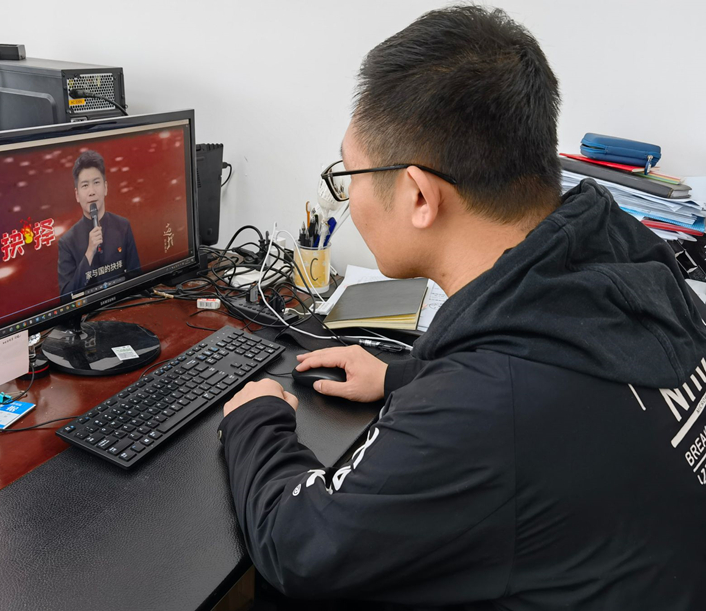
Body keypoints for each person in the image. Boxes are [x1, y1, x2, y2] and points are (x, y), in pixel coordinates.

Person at [217, 5, 706, 611]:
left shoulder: (489, 402)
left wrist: (256, 419)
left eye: (351, 175)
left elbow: (301, 545)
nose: (349, 196)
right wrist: (402, 377)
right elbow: (550, 385)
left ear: (420, 196)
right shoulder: (626, 252)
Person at [57, 150, 140, 296]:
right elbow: (66, 298)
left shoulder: (123, 226)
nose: (91, 191)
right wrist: (89, 252)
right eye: (85, 185)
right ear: (77, 195)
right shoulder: (67, 242)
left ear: (105, 188)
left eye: (96, 183)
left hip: (123, 303)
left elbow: (136, 279)